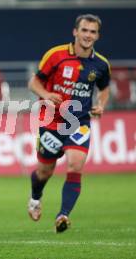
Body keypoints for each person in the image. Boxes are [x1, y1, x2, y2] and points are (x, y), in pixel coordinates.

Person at [27, 14, 111, 233]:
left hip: (79, 122)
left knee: (75, 165)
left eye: (92, 32)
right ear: (75, 32)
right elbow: (33, 82)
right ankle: (35, 197)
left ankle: (62, 215)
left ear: (97, 36)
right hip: (51, 121)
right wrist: (45, 94)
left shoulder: (101, 65)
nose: (87, 35)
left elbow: (104, 89)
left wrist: (100, 105)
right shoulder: (56, 55)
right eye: (84, 30)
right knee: (45, 172)